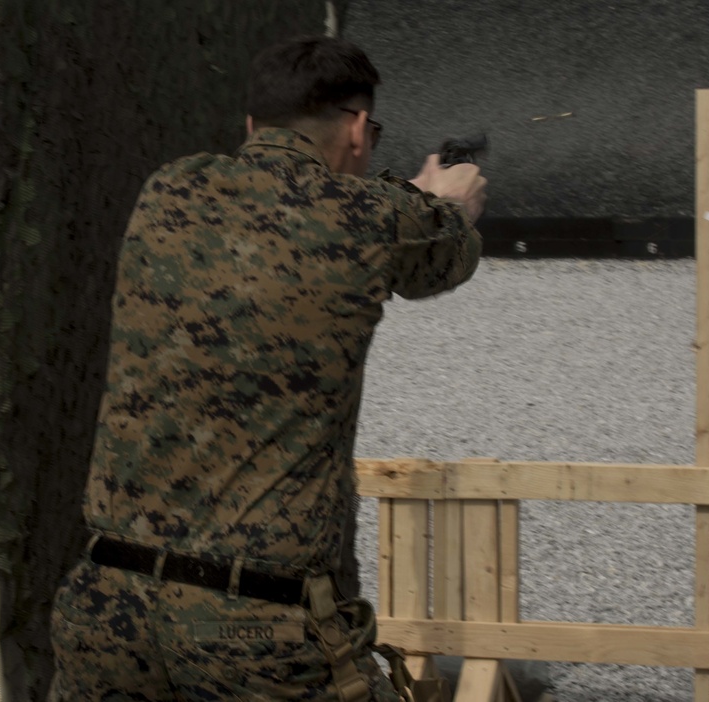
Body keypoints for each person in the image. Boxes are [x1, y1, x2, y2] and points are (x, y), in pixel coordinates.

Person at [48, 35, 486, 701]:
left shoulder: (168, 190)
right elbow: (442, 250)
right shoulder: (374, 217)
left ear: (253, 125)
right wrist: (446, 197)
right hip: (256, 630)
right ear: (360, 130)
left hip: (107, 608)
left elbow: (286, 222)